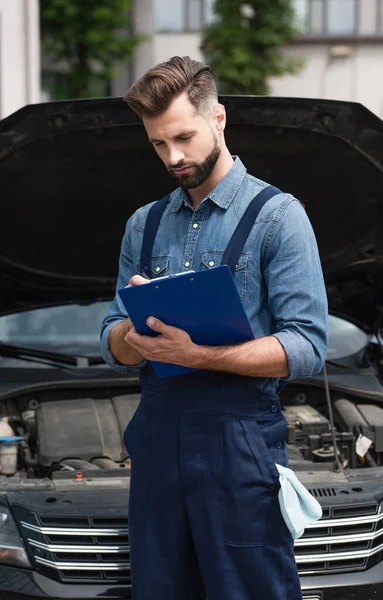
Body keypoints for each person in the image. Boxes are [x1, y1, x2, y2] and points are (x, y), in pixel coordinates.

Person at [100, 55, 328, 600]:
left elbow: (308, 344)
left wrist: (197, 354)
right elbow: (111, 333)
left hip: (240, 450)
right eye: (158, 144)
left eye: (183, 137)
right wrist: (132, 337)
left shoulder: (279, 216)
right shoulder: (144, 223)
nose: (173, 157)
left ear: (218, 118)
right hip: (157, 446)